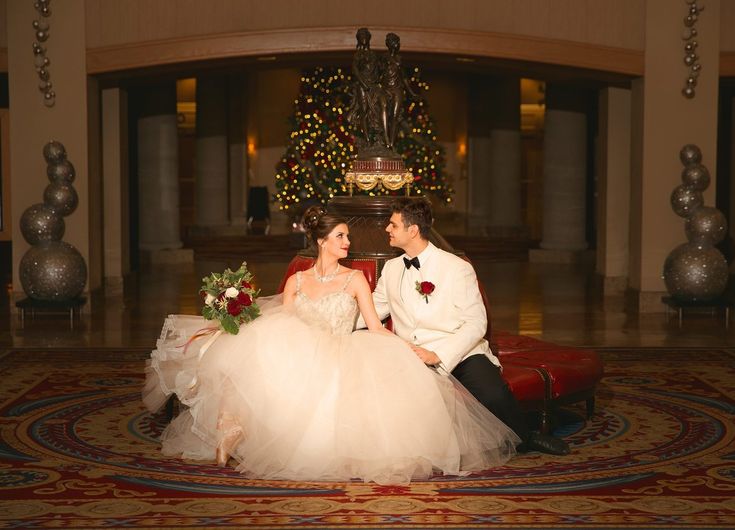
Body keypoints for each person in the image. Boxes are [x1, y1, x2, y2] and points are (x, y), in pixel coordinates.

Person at [143, 205, 520, 485]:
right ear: (322, 240)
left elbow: (374, 322)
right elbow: (285, 320)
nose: (350, 241)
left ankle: (523, 432)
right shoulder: (306, 280)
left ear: (413, 228)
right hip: (306, 345)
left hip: (418, 348)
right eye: (341, 235)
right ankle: (233, 426)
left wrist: (398, 349)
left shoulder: (375, 276)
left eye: (391, 224)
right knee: (259, 352)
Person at [362, 197, 570, 456]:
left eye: (393, 224)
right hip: (411, 354)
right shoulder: (392, 268)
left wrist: (439, 355)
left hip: (459, 351)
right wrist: (333, 321)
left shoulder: (456, 268)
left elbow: (476, 323)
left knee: (492, 394)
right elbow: (372, 309)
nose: (387, 229)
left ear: (412, 230)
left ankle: (527, 437)